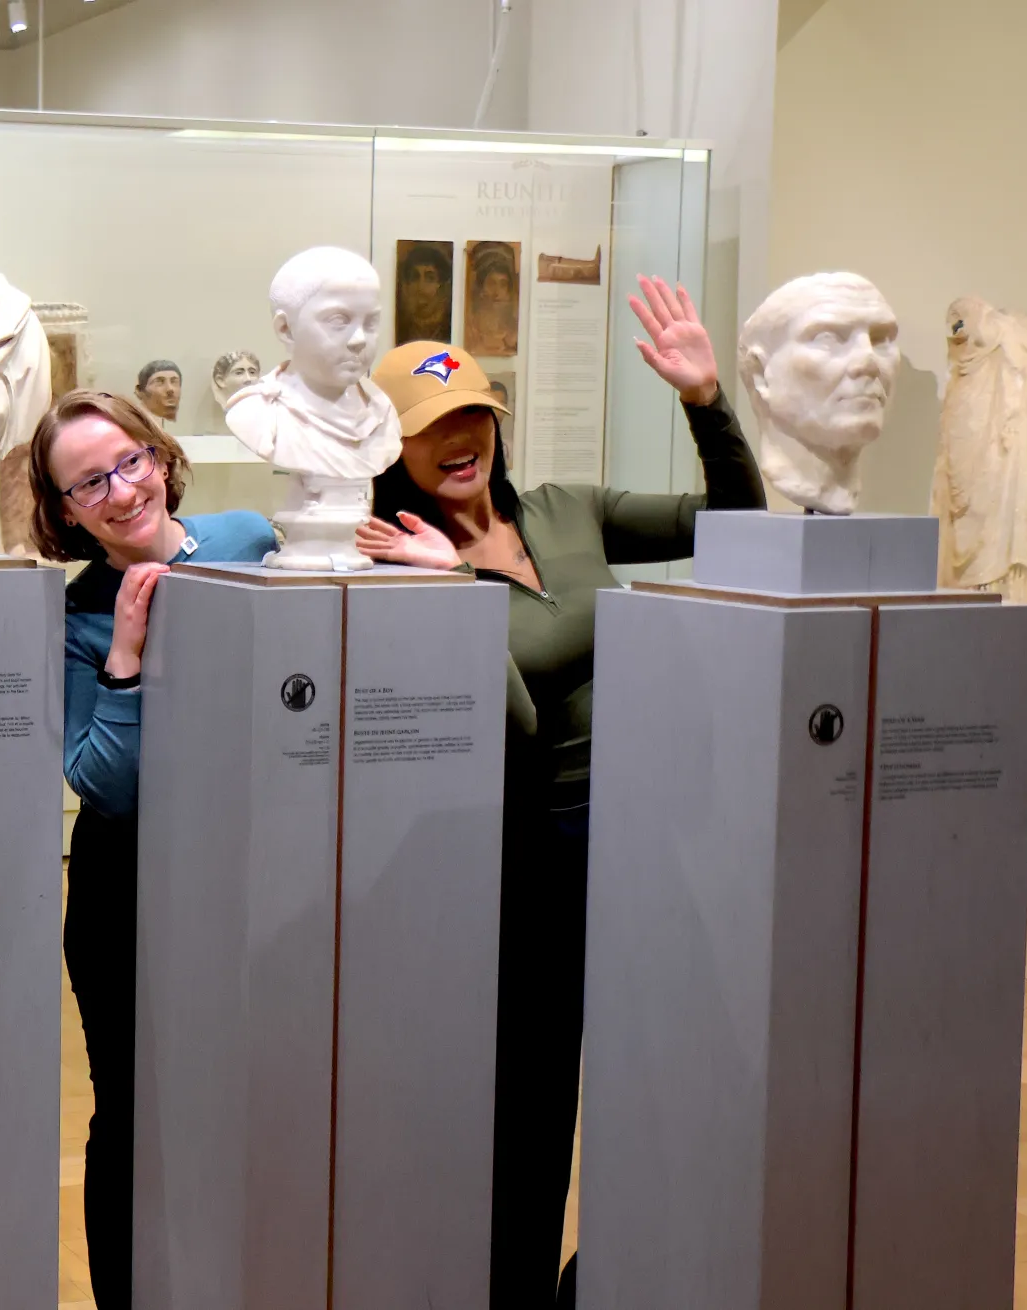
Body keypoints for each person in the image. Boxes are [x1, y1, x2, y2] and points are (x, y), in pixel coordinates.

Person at [356, 277, 765, 1308]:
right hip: (528, 850)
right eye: (431, 428)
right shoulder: (390, 556)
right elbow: (512, 718)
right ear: (390, 451)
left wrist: (704, 399)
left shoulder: (564, 509)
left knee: (660, 1081)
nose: (459, 441)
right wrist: (446, 594)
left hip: (650, 832)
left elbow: (733, 522)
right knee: (531, 1104)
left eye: (472, 417)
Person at [23, 389, 276, 1310]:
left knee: (246, 1101)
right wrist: (127, 655)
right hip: (126, 889)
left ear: (160, 457)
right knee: (131, 1115)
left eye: (130, 462)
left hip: (251, 874)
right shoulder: (72, 618)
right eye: (90, 483)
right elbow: (105, 782)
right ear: (65, 512)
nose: (123, 491)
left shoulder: (250, 541)